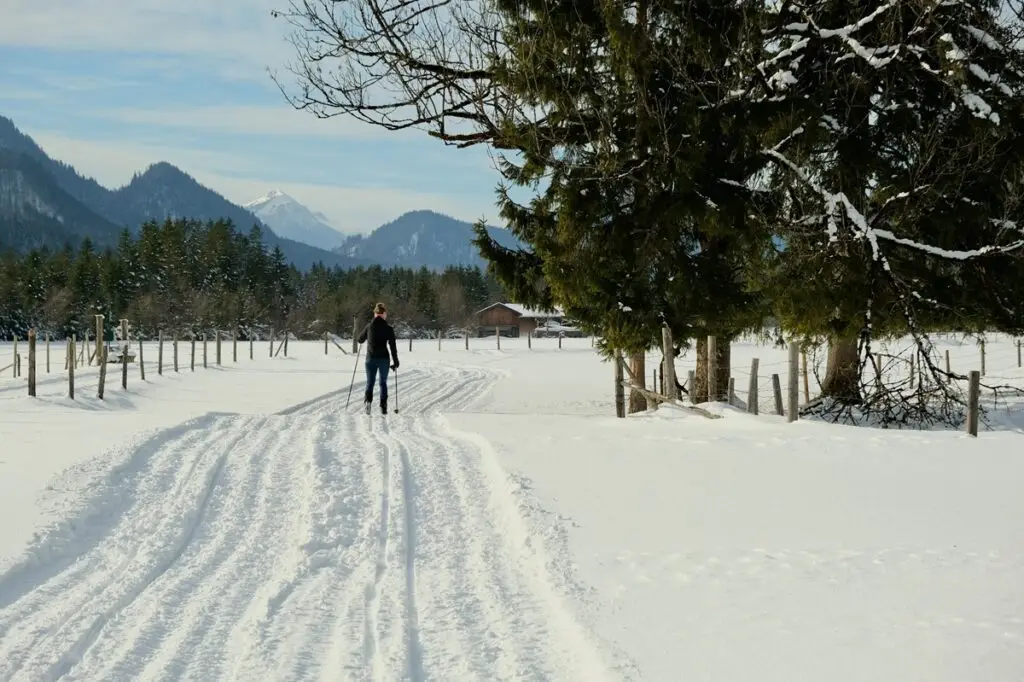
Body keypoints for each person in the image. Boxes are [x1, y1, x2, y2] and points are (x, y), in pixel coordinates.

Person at [357, 302, 399, 414]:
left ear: (375, 314)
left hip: (370, 359)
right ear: (384, 313)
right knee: (383, 382)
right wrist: (395, 362)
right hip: (384, 359)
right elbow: (393, 347)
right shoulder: (389, 328)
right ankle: (383, 406)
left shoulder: (369, 326)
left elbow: (359, 340)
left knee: (370, 382)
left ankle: (368, 403)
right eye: (386, 313)